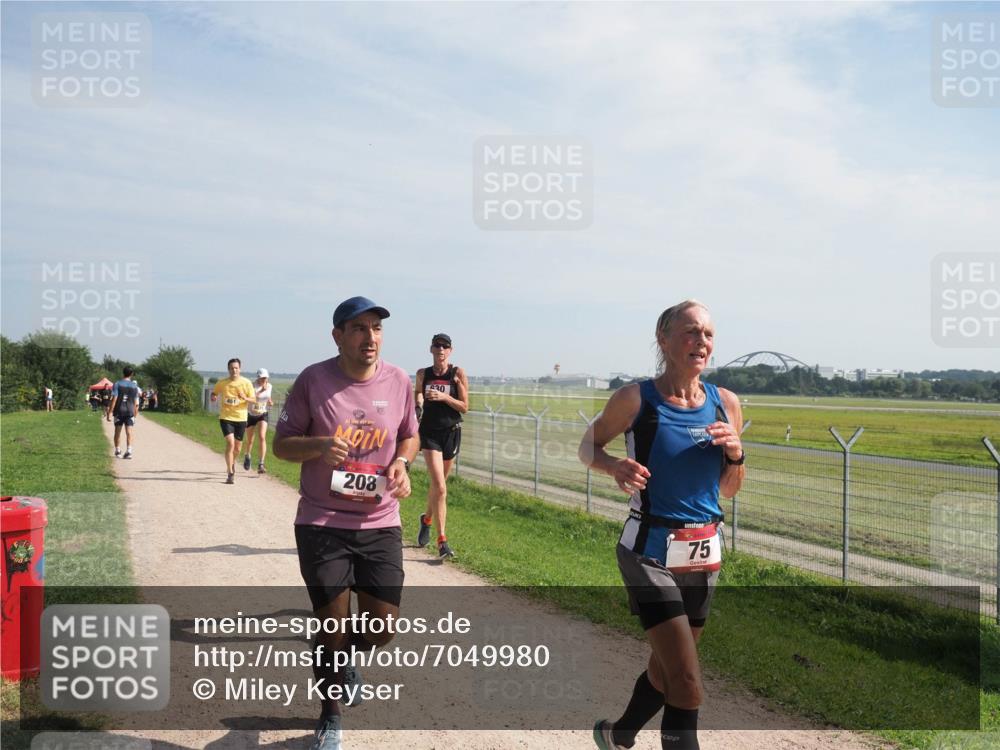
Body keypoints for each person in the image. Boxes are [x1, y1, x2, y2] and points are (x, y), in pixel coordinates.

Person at [579, 300, 745, 750]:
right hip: (648, 551)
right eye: (691, 332)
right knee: (687, 681)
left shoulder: (725, 404)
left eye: (708, 334)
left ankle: (618, 734)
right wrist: (613, 465)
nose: (702, 342)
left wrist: (736, 454)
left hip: (704, 553)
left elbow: (729, 489)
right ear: (664, 339)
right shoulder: (636, 399)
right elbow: (588, 445)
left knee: (665, 666)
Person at [273, 296, 418, 750]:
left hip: (380, 522)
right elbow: (281, 445)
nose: (369, 337)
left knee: (382, 627)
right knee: (332, 626)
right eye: (358, 328)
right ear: (337, 335)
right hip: (322, 521)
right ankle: (330, 716)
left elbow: (410, 435)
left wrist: (402, 463)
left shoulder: (398, 381)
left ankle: (341, 658)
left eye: (375, 328)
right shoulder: (313, 380)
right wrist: (318, 445)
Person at [414, 333, 468, 559]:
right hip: (429, 434)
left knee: (439, 487)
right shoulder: (422, 374)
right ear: (431, 349)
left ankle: (426, 519)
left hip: (451, 433)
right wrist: (419, 403)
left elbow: (465, 406)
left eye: (445, 346)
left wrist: (444, 398)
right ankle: (442, 541)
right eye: (437, 346)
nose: (441, 350)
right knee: (441, 487)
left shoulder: (457, 374)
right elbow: (418, 392)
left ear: (450, 351)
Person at [210, 358, 255, 484]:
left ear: (240, 369)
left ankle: (232, 462)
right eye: (231, 368)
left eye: (236, 368)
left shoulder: (246, 383)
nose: (234, 370)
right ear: (228, 369)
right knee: (230, 443)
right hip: (226, 417)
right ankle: (230, 472)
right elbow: (214, 393)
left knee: (238, 448)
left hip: (241, 418)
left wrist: (245, 397)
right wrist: (213, 397)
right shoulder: (222, 383)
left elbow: (254, 399)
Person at [242, 368, 274, 474]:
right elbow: (251, 398)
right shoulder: (251, 385)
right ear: (258, 378)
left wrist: (270, 401)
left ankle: (261, 464)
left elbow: (268, 397)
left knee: (262, 436)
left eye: (266, 378)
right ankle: (247, 455)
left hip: (262, 414)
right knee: (250, 440)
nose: (264, 380)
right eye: (262, 378)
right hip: (251, 415)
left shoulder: (269, 386)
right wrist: (261, 390)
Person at [109, 367, 141, 459]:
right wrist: (135, 414)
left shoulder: (117, 384)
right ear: (131, 374)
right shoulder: (134, 386)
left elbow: (114, 399)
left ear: (123, 373)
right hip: (130, 412)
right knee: (129, 432)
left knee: (117, 432)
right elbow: (135, 402)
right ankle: (129, 451)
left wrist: (109, 412)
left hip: (119, 411)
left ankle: (118, 450)